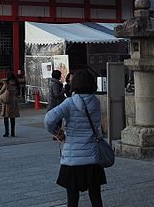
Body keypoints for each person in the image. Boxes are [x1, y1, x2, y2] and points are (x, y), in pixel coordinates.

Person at [44, 70, 105, 207]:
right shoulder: (96, 102)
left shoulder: (69, 103)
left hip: (73, 158)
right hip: (92, 157)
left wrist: (56, 132)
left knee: (72, 200)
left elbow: (48, 119)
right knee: (96, 198)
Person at [0, 72, 20, 137]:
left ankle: (6, 132)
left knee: (6, 117)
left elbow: (1, 91)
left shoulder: (6, 84)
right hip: (14, 101)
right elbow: (18, 93)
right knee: (12, 117)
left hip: (7, 101)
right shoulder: (16, 83)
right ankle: (13, 132)